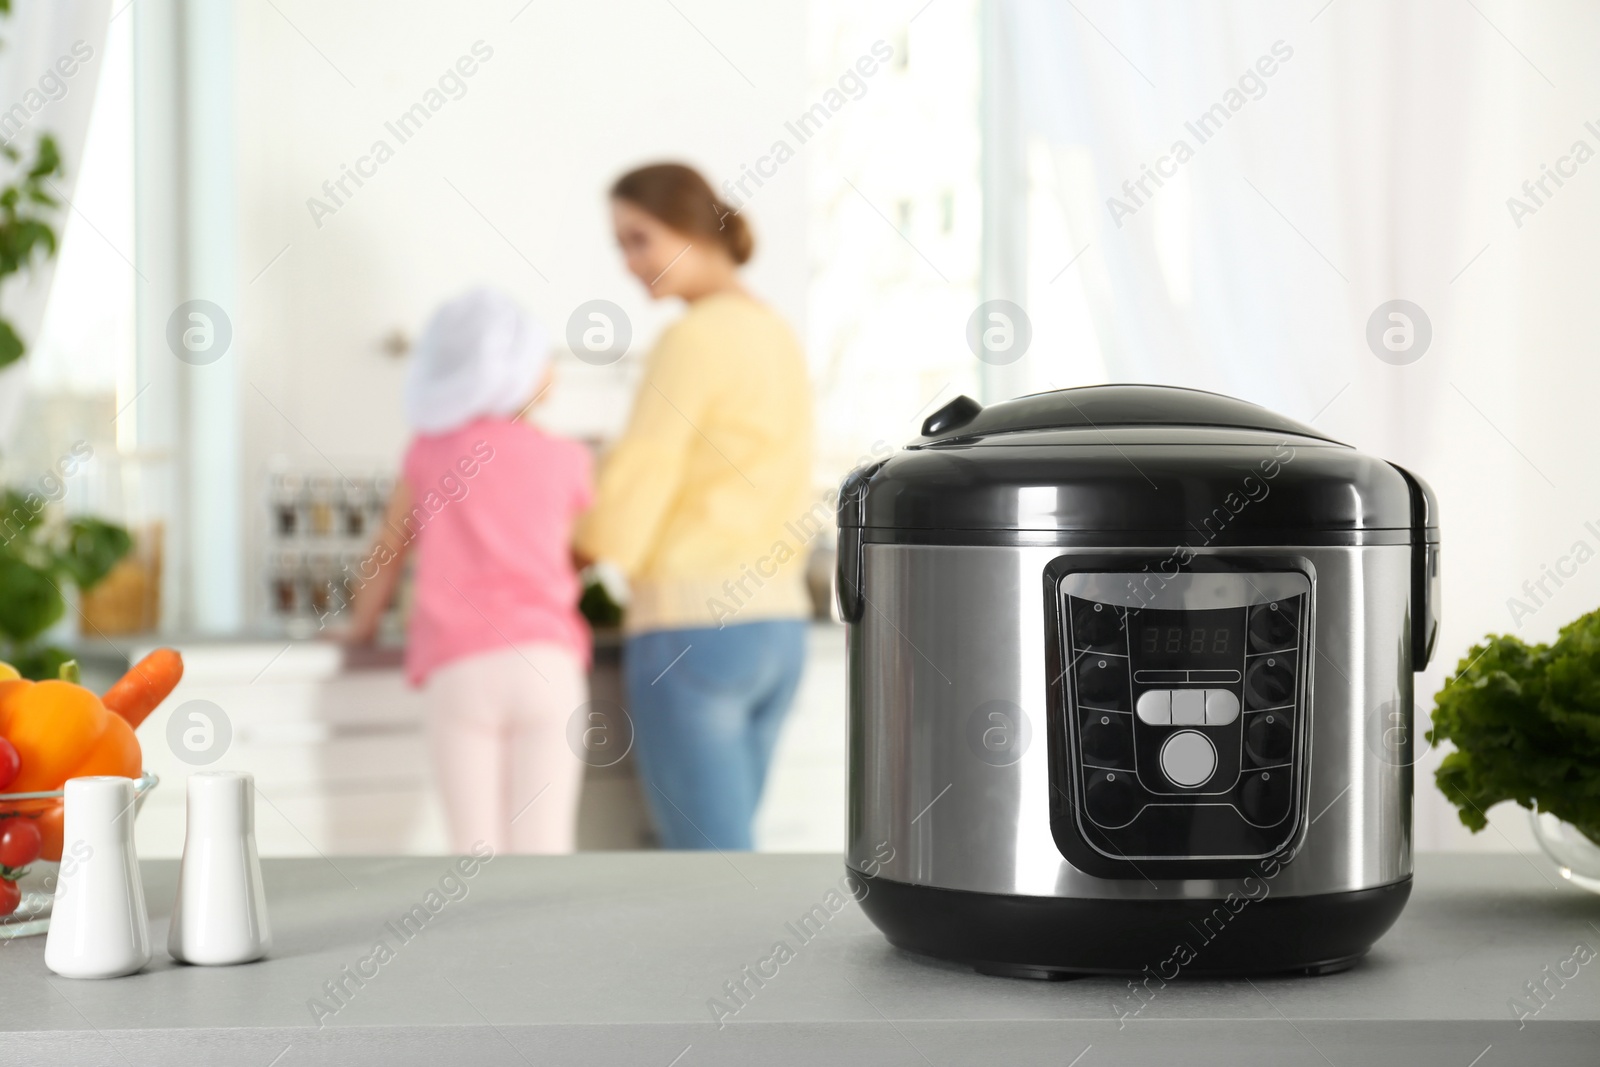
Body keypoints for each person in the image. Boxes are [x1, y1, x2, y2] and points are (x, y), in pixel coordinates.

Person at [576, 163, 814, 851]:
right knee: (732, 857)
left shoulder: (692, 337)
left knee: (709, 871)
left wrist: (576, 554)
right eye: (621, 244)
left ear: (688, 226)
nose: (629, 262)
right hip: (777, 630)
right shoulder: (775, 332)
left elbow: (645, 468)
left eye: (639, 239)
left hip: (694, 627)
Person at [343, 287, 592, 854]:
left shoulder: (428, 450)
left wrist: (360, 628)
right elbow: (574, 552)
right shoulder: (566, 457)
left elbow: (388, 548)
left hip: (462, 666)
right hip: (549, 665)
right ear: (519, 374)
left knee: (472, 852)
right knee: (546, 848)